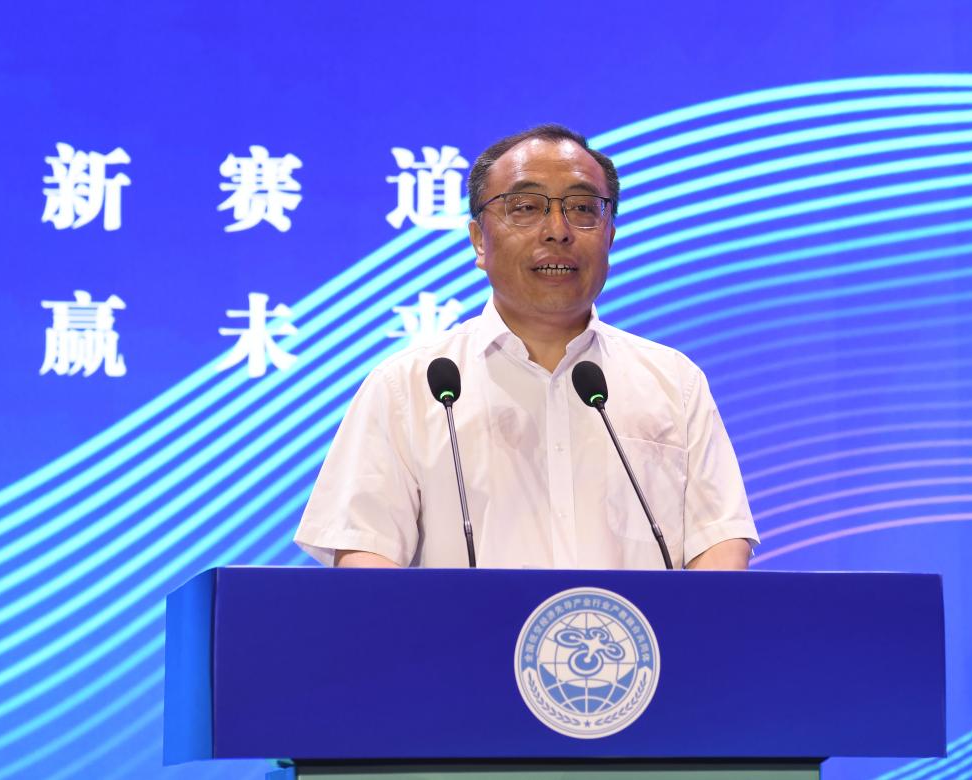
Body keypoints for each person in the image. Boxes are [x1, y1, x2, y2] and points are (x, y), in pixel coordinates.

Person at [294, 124, 758, 570]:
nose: (557, 230)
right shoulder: (408, 388)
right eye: (526, 207)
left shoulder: (674, 382)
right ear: (479, 241)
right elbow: (366, 552)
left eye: (582, 208)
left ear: (610, 236)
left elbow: (719, 540)